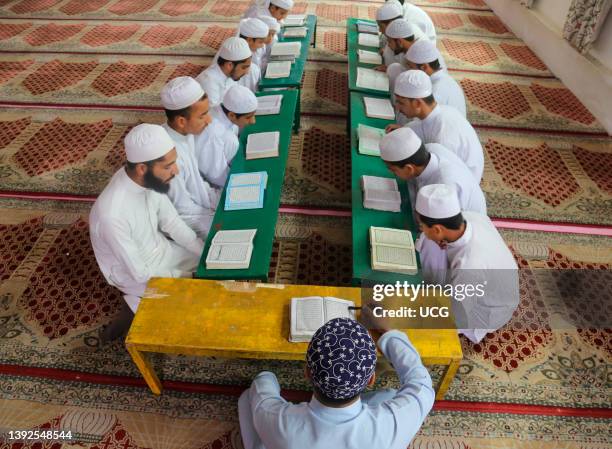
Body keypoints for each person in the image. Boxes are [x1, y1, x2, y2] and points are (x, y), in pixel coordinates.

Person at [238, 316, 435, 449]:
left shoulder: (277, 421)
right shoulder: (394, 422)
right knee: (391, 395)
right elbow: (421, 382)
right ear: (371, 379)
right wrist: (388, 334)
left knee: (249, 396)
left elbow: (262, 392)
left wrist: (266, 376)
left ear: (307, 372)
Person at [89, 124, 204, 315]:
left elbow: (172, 222)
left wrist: (203, 253)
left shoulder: (148, 180)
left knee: (215, 271)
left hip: (163, 251)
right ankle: (133, 306)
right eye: (168, 166)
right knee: (197, 304)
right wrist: (190, 277)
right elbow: (140, 273)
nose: (176, 171)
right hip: (134, 275)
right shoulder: (112, 215)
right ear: (142, 168)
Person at [415, 184, 520, 343]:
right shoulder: (469, 217)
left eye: (423, 226)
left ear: (437, 229)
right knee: (428, 243)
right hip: (481, 280)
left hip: (488, 308)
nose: (422, 230)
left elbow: (457, 314)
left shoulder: (469, 266)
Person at [380, 127, 486, 284]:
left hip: (463, 228)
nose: (393, 174)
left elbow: (444, 234)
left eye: (394, 170)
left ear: (409, 168)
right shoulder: (430, 150)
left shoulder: (447, 186)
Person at [387, 70, 484, 182]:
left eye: (401, 103)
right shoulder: (440, 112)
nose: (397, 108)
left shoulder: (444, 137)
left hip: (457, 184)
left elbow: (442, 178)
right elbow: (423, 127)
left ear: (417, 103)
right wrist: (404, 130)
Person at [161, 76, 220, 239]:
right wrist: (217, 219)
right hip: (183, 221)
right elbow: (182, 210)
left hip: (200, 208)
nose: (209, 120)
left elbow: (196, 182)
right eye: (202, 116)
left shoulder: (185, 134)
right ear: (181, 121)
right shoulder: (169, 157)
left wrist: (218, 200)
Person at [195, 85, 257, 188]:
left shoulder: (219, 110)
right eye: (248, 117)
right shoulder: (219, 135)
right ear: (232, 115)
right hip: (204, 182)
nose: (253, 121)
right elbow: (216, 176)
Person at [405, 39, 466, 117]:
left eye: (410, 66)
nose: (408, 70)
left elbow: (426, 121)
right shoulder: (444, 78)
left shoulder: (435, 91)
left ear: (424, 67)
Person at [196, 37, 252, 107]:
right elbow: (213, 114)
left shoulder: (230, 74)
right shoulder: (209, 81)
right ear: (229, 65)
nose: (247, 72)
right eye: (244, 67)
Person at [375, 2, 404, 67]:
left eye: (381, 26)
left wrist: (391, 70)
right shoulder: (395, 32)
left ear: (390, 23)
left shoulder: (404, 37)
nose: (380, 30)